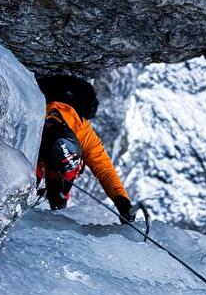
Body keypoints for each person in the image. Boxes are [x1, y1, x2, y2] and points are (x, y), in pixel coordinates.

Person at [36, 73, 135, 222]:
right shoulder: (34, 119)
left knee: (66, 160)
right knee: (64, 161)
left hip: (54, 150)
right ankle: (55, 199)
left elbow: (103, 167)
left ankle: (57, 198)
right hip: (42, 151)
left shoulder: (82, 131)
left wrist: (121, 200)